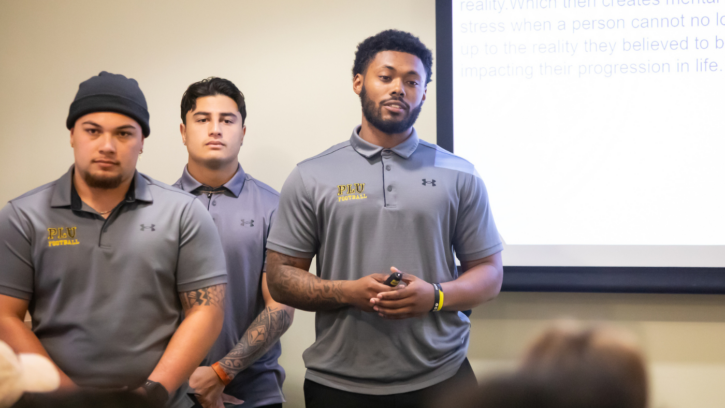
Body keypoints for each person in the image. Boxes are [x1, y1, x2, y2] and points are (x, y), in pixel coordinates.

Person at [265, 30, 504, 408]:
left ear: (424, 93)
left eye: (412, 81)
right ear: (359, 82)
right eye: (386, 76)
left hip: (443, 378)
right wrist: (347, 292)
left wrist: (435, 296)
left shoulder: (460, 174)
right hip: (338, 384)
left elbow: (489, 274)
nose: (399, 89)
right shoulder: (311, 175)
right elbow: (280, 278)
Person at [0, 72, 228, 408]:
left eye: (124, 133)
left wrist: (152, 392)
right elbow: (6, 315)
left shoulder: (184, 213)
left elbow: (206, 311)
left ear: (142, 141)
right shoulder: (22, 216)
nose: (107, 146)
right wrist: (67, 396)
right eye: (93, 131)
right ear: (72, 135)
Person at [173, 77, 293, 408]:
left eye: (227, 120)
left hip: (253, 395)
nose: (216, 129)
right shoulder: (157, 208)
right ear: (183, 132)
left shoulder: (274, 206)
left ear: (242, 132)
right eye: (203, 119)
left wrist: (220, 373)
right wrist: (182, 379)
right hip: (170, 391)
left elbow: (280, 308)